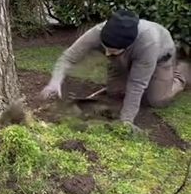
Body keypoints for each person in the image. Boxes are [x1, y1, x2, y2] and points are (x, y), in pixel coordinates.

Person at [40, 9, 189, 125]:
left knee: (156, 100)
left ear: (126, 47)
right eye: (104, 47)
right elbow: (68, 57)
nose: (105, 53)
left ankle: (182, 73)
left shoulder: (149, 43)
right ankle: (124, 71)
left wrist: (126, 120)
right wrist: (55, 81)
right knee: (115, 93)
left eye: (111, 50)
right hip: (127, 57)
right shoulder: (99, 32)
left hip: (159, 58)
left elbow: (137, 84)